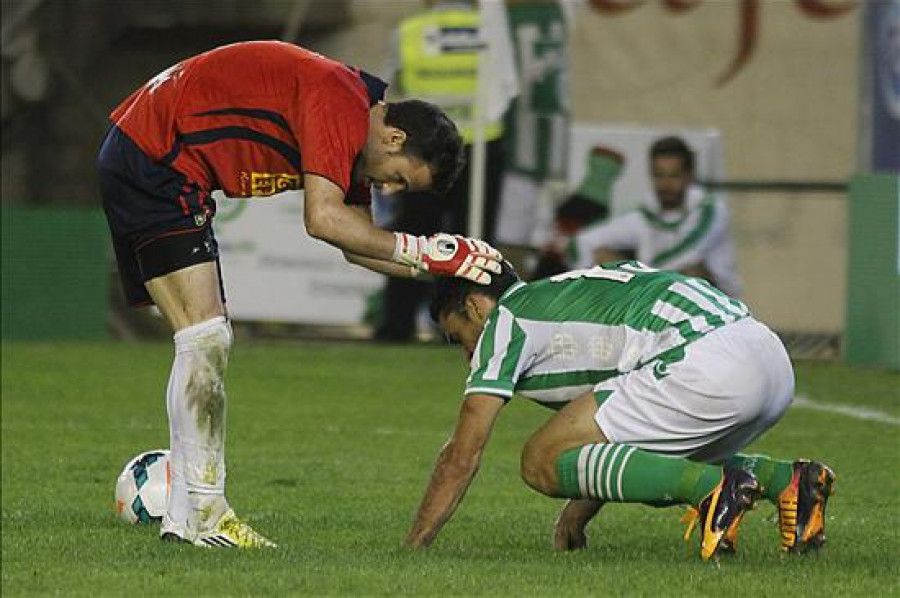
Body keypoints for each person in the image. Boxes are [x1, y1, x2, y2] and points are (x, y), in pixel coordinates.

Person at [98, 40, 502, 548]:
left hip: (146, 153)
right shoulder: (340, 100)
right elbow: (323, 219)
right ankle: (203, 513)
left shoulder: (355, 127)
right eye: (400, 179)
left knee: (201, 340)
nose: (391, 191)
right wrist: (429, 252)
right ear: (394, 137)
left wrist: (450, 265)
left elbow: (358, 244)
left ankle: (187, 518)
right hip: (156, 158)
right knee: (205, 338)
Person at [406, 261, 835, 560]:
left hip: (705, 364)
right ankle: (789, 480)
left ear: (476, 306)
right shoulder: (573, 295)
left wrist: (414, 548)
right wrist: (577, 515)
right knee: (639, 447)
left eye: (458, 336)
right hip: (767, 354)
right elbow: (614, 433)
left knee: (540, 459)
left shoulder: (505, 322)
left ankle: (712, 489)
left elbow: (462, 455)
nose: (467, 354)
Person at [374, 0, 506, 342]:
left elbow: (389, 87)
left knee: (413, 235)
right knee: (474, 243)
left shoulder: (410, 31)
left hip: (424, 147)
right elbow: (506, 88)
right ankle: (470, 327)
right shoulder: (492, 30)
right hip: (480, 144)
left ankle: (397, 324)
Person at [569, 136, 741, 296]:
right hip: (655, 297)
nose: (666, 184)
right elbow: (583, 242)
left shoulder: (711, 210)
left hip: (717, 302)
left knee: (691, 272)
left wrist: (633, 277)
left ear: (689, 176)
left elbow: (685, 255)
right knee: (602, 254)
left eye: (674, 176)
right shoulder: (643, 215)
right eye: (659, 175)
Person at [493, 0, 571, 278]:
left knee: (512, 231)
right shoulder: (555, 15)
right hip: (536, 139)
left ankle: (508, 303)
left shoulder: (515, 19)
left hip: (521, 143)